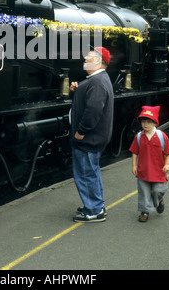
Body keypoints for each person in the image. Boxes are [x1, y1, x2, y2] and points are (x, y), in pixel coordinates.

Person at [70, 46, 114, 223]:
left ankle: (94, 211)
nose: (84, 60)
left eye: (88, 58)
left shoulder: (97, 82)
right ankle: (96, 204)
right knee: (92, 172)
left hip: (88, 138)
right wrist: (76, 90)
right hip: (93, 137)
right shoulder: (97, 80)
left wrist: (81, 132)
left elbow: (93, 110)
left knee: (86, 173)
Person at [129, 106, 169, 222]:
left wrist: (167, 165)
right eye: (143, 121)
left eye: (149, 122)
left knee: (157, 191)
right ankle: (144, 211)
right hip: (143, 171)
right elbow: (135, 152)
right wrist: (134, 166)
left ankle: (159, 201)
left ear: (155, 123)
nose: (145, 124)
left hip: (159, 171)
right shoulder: (139, 137)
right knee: (143, 192)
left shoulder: (161, 136)